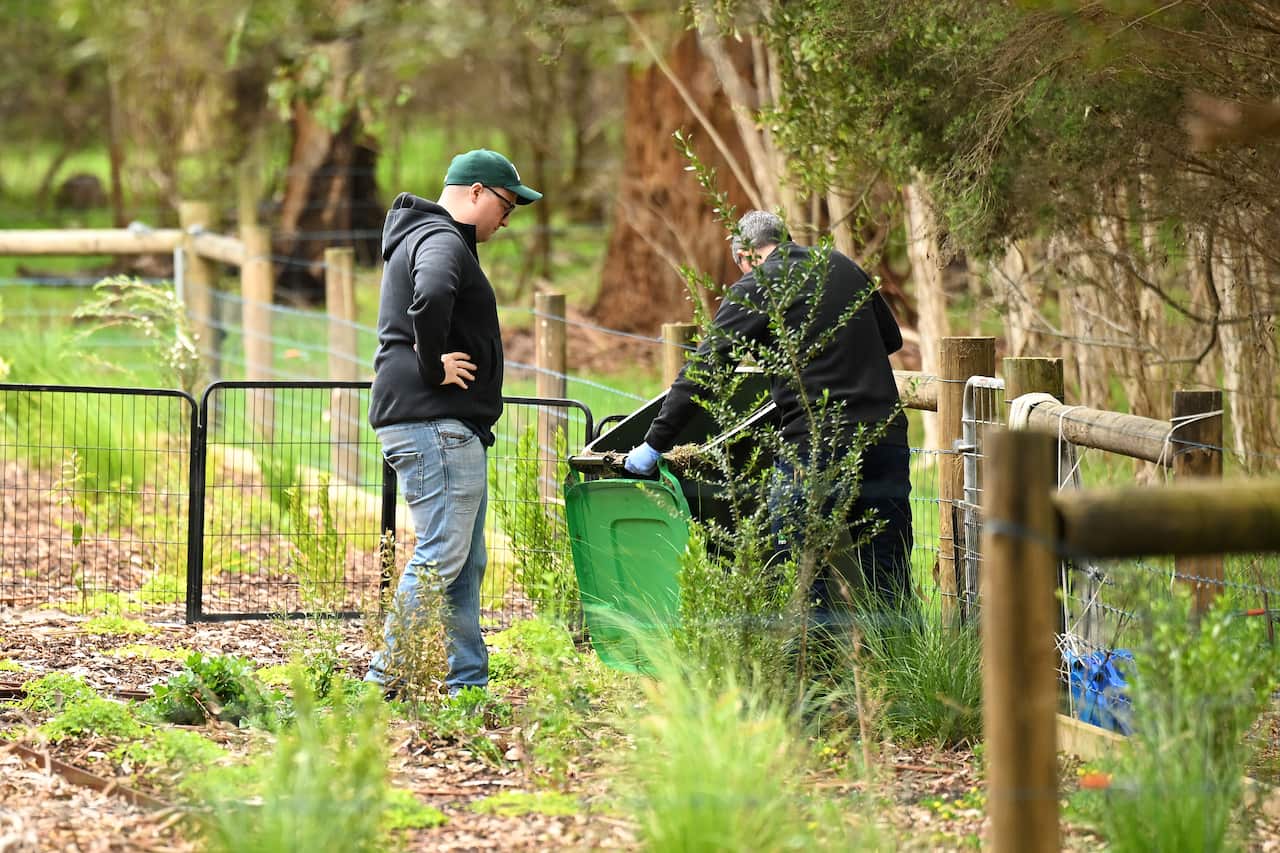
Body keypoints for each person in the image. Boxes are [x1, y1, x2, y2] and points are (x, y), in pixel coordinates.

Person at [624, 209, 913, 618]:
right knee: (888, 566)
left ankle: (810, 675)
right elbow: (891, 338)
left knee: (800, 570)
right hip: (884, 436)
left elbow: (706, 369)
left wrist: (653, 444)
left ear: (745, 255)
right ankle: (898, 667)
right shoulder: (840, 264)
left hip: (814, 445)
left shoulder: (758, 284)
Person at [366, 149, 541, 696]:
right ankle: (383, 680)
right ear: (476, 192)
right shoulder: (442, 241)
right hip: (436, 425)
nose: (506, 219)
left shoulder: (425, 236)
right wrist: (432, 364)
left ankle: (467, 681)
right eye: (506, 204)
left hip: (438, 425)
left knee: (464, 561)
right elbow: (434, 294)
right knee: (443, 552)